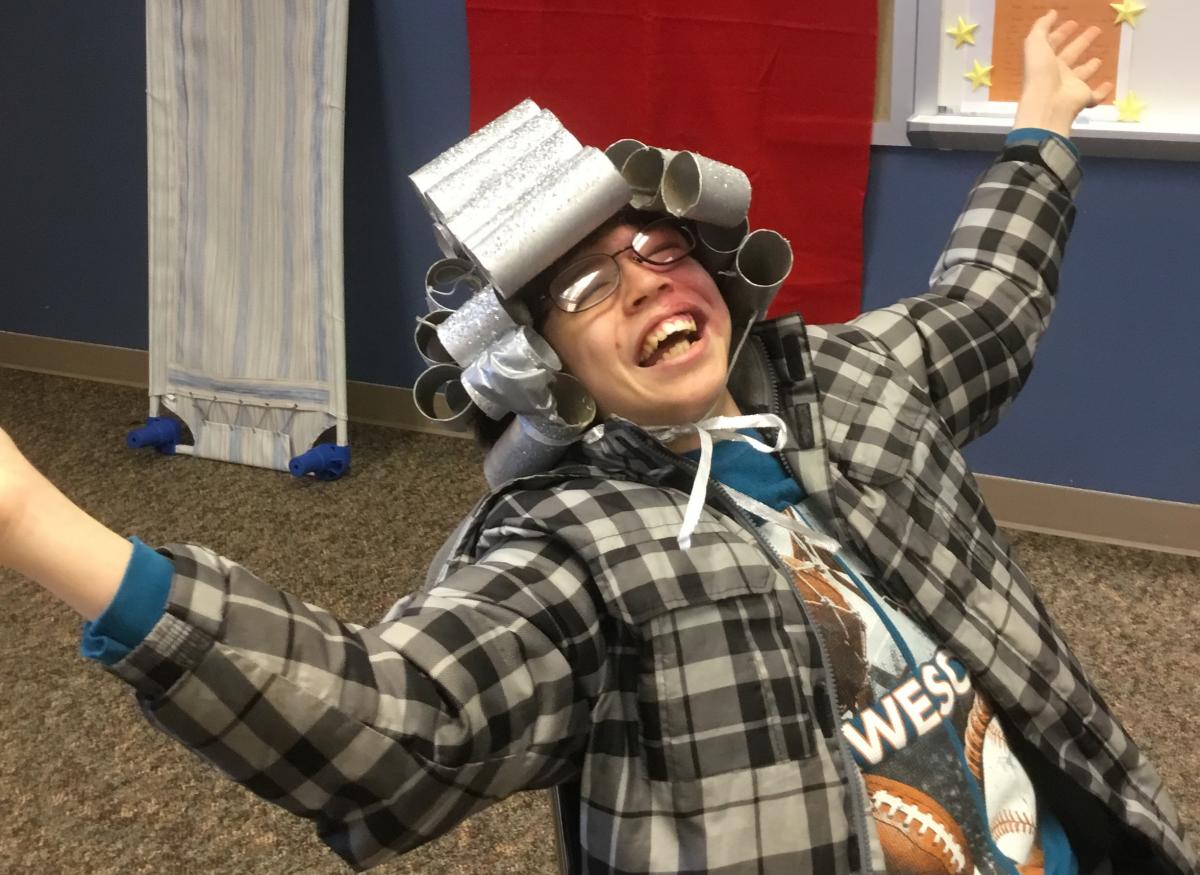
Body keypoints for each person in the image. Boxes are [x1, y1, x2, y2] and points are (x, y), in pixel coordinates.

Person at [0, 10, 1193, 875]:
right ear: (540, 369)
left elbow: (989, 299)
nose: (641, 283)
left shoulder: (856, 379)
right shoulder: (569, 549)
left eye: (657, 249)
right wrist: (33, 523)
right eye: (581, 289)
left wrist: (1042, 122)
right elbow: (392, 725)